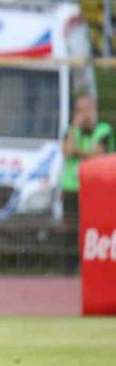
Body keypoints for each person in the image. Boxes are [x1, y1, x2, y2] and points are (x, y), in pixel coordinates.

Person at [61, 94, 114, 270]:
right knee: (70, 229)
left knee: (94, 228)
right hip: (72, 188)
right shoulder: (71, 131)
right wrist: (74, 129)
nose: (83, 114)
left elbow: (97, 156)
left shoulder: (103, 130)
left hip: (95, 189)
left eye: (86, 109)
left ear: (94, 109)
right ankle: (69, 268)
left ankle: (92, 267)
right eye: (80, 110)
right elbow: (67, 152)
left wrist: (78, 152)